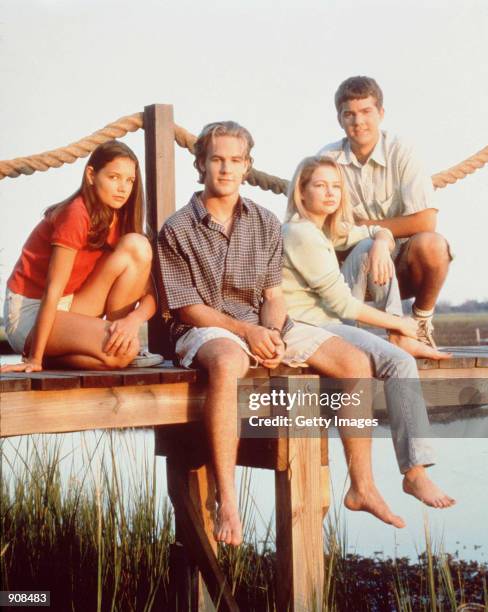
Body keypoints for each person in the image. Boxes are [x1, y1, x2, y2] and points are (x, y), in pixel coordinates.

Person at [158, 121, 415, 548]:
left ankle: (362, 486)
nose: (226, 169)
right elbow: (187, 306)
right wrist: (247, 332)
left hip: (260, 321)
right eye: (217, 160)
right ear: (200, 164)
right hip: (203, 327)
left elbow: (273, 296)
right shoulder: (177, 228)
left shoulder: (262, 222)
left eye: (235, 161)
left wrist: (272, 331)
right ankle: (227, 500)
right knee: (228, 362)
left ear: (247, 167)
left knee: (354, 360)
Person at [282, 154, 455, 513]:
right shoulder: (300, 233)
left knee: (366, 249)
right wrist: (401, 323)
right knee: (399, 363)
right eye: (319, 185)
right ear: (301, 191)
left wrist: (379, 242)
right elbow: (342, 305)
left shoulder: (328, 229)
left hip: (329, 317)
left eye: (335, 186)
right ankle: (414, 471)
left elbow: (378, 232)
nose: (330, 193)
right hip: (312, 325)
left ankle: (396, 337)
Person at [318, 76, 452, 350]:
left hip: (401, 266)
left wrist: (375, 231)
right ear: (340, 120)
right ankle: (340, 334)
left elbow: (427, 220)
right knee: (354, 247)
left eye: (366, 112)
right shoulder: (327, 159)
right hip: (352, 266)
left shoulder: (402, 151)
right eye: (350, 114)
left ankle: (419, 322)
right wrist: (371, 238)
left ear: (381, 113)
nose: (358, 122)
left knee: (434, 245)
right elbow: (317, 225)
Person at [1, 140, 158, 373]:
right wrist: (35, 358)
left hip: (69, 304)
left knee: (139, 246)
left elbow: (150, 296)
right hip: (32, 312)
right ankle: (43, 356)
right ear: (91, 175)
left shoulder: (120, 221)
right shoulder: (76, 214)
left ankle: (115, 340)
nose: (123, 188)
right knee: (125, 352)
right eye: (114, 177)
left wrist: (130, 322)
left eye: (129, 180)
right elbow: (52, 290)